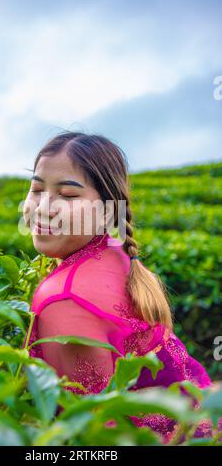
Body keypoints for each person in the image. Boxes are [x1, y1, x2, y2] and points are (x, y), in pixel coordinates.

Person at [22, 131, 218, 444]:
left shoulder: (63, 300)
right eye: (36, 190)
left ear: (107, 210)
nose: (44, 208)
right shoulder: (114, 252)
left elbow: (97, 432)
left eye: (68, 196)